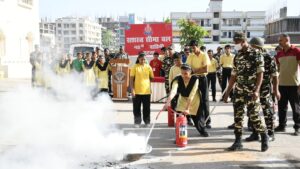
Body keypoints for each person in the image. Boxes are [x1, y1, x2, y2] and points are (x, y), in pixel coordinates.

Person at [223, 32, 269, 152]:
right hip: (239, 91)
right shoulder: (237, 56)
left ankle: (264, 136)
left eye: (236, 42)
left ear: (243, 41)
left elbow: (260, 73)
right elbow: (233, 75)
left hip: (252, 91)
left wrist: (257, 90)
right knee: (238, 117)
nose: (235, 45)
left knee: (254, 116)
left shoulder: (256, 54)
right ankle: (238, 142)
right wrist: (227, 92)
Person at [243, 37, 280, 142]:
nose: (249, 47)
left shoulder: (268, 57)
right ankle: (255, 133)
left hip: (264, 88)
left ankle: (270, 133)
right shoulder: (251, 56)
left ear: (256, 46)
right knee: (253, 111)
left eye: (251, 45)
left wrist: (276, 90)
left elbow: (275, 75)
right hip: (253, 88)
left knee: (267, 110)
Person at [164, 64, 205, 136]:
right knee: (180, 119)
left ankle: (202, 131)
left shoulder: (195, 79)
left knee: (198, 119)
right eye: (182, 73)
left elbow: (192, 94)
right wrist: (167, 102)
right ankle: (180, 136)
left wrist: (187, 109)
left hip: (194, 100)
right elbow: (173, 91)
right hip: (182, 100)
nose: (183, 75)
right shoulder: (177, 79)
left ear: (190, 72)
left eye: (185, 73)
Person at [274, 34, 300, 136]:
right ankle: (282, 126)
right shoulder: (279, 54)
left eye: (281, 40)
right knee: (282, 107)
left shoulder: (297, 51)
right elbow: (277, 70)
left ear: (287, 40)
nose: (279, 42)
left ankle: (297, 127)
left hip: (294, 84)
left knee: (296, 108)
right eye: (279, 40)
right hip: (282, 85)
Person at [187, 39, 210, 135]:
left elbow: (206, 69)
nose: (193, 49)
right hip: (194, 79)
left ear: (198, 46)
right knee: (194, 99)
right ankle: (197, 120)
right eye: (191, 48)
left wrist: (195, 70)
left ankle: (208, 120)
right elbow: (188, 69)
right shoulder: (190, 56)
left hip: (203, 78)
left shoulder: (204, 55)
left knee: (205, 100)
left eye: (194, 47)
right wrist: (197, 70)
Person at [130, 52, 154, 128]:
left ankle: (147, 122)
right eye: (141, 59)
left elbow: (152, 77)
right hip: (136, 91)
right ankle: (137, 122)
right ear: (138, 59)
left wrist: (148, 85)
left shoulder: (148, 67)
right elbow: (131, 79)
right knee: (136, 108)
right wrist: (132, 90)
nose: (142, 61)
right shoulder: (135, 67)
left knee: (147, 108)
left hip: (146, 91)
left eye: (144, 59)